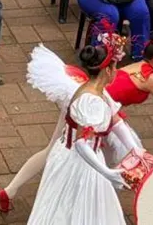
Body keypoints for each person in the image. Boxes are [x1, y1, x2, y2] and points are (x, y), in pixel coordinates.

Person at [0, 25, 153, 213]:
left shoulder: (140, 67)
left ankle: (10, 190)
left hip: (99, 106)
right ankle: (107, 195)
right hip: (94, 109)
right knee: (88, 151)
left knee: (77, 149)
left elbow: (115, 120)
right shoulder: (151, 79)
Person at [24, 44, 128, 224]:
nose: (116, 71)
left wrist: (137, 150)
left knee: (84, 205)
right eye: (115, 66)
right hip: (78, 162)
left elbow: (116, 121)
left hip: (82, 157)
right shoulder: (90, 100)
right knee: (69, 206)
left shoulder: (97, 91)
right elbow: (81, 142)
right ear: (107, 70)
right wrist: (106, 171)